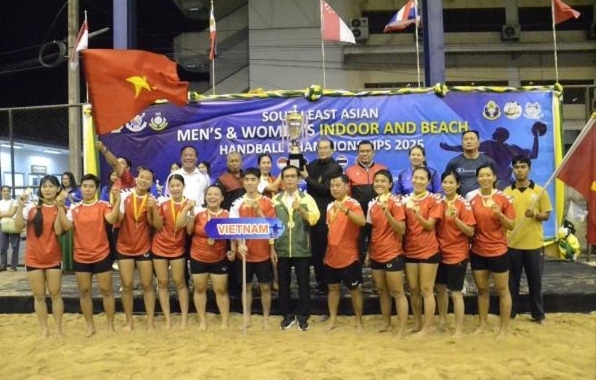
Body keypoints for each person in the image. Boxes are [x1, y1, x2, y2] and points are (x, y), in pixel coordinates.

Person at [56, 174, 120, 336]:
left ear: (96, 188)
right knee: (84, 292)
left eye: (91, 186)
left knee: (107, 291)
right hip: (81, 257)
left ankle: (110, 325)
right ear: (81, 187)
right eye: (85, 186)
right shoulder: (74, 209)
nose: (87, 189)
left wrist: (118, 201)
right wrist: (59, 207)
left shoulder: (103, 205)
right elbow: (66, 226)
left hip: (102, 255)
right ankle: (90, 326)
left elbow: (112, 220)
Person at [467, 164, 515, 339]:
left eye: (488, 175)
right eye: (481, 175)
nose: (485, 178)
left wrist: (500, 214)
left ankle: (503, 330)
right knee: (482, 290)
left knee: (503, 291)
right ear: (477, 178)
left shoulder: (504, 199)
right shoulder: (470, 197)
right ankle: (482, 324)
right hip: (478, 250)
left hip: (498, 250)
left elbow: (511, 225)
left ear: (495, 177)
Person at [14, 175, 64, 337]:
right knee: (39, 295)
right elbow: (17, 228)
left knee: (56, 293)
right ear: (40, 189)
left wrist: (60, 207)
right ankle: (44, 329)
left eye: (51, 186)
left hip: (53, 257)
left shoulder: (62, 208)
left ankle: (58, 328)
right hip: (33, 258)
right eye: (44, 186)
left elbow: (58, 231)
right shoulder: (31, 208)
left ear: (58, 189)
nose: (47, 189)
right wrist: (20, 206)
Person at [271, 165, 320, 331]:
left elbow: (313, 220)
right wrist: (272, 247)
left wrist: (302, 212)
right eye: (287, 176)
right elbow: (271, 225)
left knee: (303, 283)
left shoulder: (307, 199)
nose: (290, 179)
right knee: (283, 283)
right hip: (282, 248)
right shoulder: (275, 200)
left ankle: (304, 314)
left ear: (299, 179)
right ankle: (286, 314)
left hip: (301, 247)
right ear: (282, 180)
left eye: (293, 176)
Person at [504, 155, 552, 324]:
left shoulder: (539, 191)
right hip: (512, 244)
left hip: (534, 245)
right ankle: (510, 313)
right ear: (513, 169)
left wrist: (535, 215)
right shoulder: (506, 192)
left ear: (529, 169)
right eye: (516, 167)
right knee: (512, 283)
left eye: (523, 166)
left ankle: (538, 315)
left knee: (535, 282)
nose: (520, 170)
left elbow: (546, 215)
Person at [230, 168, 276, 328]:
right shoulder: (237, 203)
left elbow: (272, 228)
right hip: (245, 253)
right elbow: (233, 227)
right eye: (247, 179)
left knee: (265, 286)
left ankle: (265, 318)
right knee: (246, 286)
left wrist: (259, 212)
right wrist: (238, 244)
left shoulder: (268, 202)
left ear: (258, 182)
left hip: (262, 251)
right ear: (243, 182)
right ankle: (247, 318)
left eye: (253, 179)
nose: (250, 183)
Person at [365, 170, 408, 337]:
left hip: (392, 253)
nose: (379, 184)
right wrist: (369, 251)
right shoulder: (372, 204)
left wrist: (387, 213)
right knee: (382, 291)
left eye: (383, 181)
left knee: (397, 292)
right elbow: (372, 230)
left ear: (390, 184)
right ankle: (386, 323)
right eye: (376, 181)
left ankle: (402, 329)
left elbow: (401, 229)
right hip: (376, 253)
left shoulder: (396, 202)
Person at [402, 167, 442, 336]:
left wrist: (417, 213)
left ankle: (427, 327)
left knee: (426, 289)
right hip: (410, 250)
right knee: (413, 290)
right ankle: (418, 322)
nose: (418, 181)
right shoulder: (405, 200)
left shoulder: (434, 200)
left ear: (428, 181)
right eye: (415, 178)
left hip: (428, 250)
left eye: (422, 178)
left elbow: (429, 225)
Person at [435, 170, 476, 337]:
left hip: (457, 254)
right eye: (445, 182)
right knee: (440, 290)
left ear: (458, 185)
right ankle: (443, 321)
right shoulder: (438, 202)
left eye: (451, 182)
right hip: (439, 253)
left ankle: (458, 329)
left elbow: (471, 232)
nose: (447, 185)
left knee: (456, 293)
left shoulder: (463, 204)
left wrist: (456, 219)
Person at [441, 124, 545, 189]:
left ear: (501, 135)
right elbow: (467, 147)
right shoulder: (496, 146)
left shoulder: (495, 146)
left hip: (504, 182)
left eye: (496, 132)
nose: (493, 133)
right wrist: (449, 147)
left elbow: (533, 155)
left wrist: (536, 137)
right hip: (492, 183)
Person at [117, 167, 157, 331]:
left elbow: (155, 225)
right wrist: (116, 201)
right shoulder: (124, 196)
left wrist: (153, 208)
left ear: (151, 182)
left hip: (143, 247)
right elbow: (117, 220)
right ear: (136, 178)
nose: (144, 180)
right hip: (124, 247)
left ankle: (150, 321)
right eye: (141, 177)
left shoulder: (152, 199)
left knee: (147, 285)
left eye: (148, 179)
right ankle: (129, 321)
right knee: (126, 285)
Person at [186, 185, 231, 330]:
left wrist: (233, 250)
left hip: (219, 258)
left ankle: (224, 321)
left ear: (222, 198)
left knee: (221, 290)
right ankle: (202, 321)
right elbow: (189, 231)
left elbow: (234, 237)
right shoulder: (199, 214)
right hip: (198, 257)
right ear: (205, 197)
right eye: (209, 194)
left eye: (216, 194)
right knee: (199, 289)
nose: (212, 197)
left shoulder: (228, 215)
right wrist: (191, 214)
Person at [301, 138, 343, 294]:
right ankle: (320, 282)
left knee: (326, 248)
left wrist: (306, 178)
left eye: (326, 148)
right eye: (320, 148)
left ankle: (329, 282)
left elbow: (325, 190)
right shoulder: (312, 165)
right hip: (313, 213)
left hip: (327, 213)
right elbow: (298, 167)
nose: (323, 150)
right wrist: (295, 150)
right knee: (316, 250)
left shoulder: (335, 168)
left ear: (332, 150)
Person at [325, 173, 366, 331]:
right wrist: (326, 253)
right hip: (331, 257)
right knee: (333, 289)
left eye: (337, 185)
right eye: (332, 186)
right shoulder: (330, 206)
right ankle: (333, 320)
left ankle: (359, 321)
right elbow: (330, 231)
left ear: (347, 186)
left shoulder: (353, 203)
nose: (334, 188)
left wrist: (346, 210)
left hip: (349, 256)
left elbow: (362, 222)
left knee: (355, 291)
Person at [151, 174, 191, 329]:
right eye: (172, 186)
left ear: (183, 186)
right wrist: (153, 208)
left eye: (178, 185)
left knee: (180, 282)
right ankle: (167, 318)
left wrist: (187, 208)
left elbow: (182, 226)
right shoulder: (163, 203)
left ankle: (184, 318)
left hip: (177, 248)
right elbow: (158, 226)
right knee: (162, 283)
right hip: (159, 247)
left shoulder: (190, 204)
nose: (175, 188)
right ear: (169, 188)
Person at [345, 140, 387, 260]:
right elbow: (347, 195)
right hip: (359, 216)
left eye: (368, 151)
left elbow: (387, 193)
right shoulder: (349, 171)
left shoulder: (382, 169)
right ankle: (357, 275)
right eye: (362, 151)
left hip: (379, 215)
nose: (365, 153)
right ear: (358, 153)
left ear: (373, 152)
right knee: (357, 245)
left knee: (379, 243)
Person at [443, 130, 496, 197]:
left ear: (479, 142)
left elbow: (494, 184)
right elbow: (447, 183)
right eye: (465, 139)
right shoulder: (453, 163)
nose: (469, 141)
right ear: (462, 143)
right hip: (460, 203)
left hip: (483, 202)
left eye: (472, 139)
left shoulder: (488, 162)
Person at [59, 171, 82, 273]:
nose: (65, 181)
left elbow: (81, 203)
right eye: (63, 179)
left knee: (73, 242)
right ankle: (64, 266)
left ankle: (73, 265)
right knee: (61, 243)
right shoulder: (59, 191)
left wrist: (70, 204)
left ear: (71, 179)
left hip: (74, 218)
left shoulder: (78, 191)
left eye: (67, 179)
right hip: (61, 217)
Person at [0, 186, 20, 272]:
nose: (6, 193)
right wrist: (7, 213)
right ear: (1, 192)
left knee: (15, 246)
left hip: (13, 225)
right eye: (4, 191)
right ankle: (3, 265)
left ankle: (13, 266)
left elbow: (12, 213)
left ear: (10, 192)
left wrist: (2, 213)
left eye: (8, 191)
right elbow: (10, 213)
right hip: (2, 225)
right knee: (2, 246)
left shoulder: (15, 201)